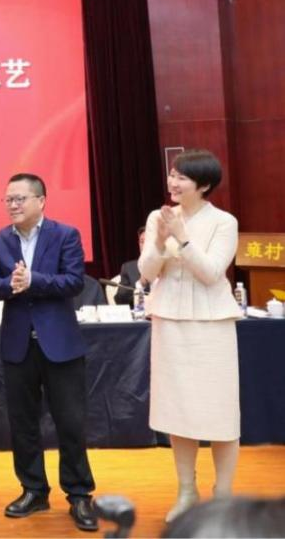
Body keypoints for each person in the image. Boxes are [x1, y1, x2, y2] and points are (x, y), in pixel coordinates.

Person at [0, 173, 97, 532]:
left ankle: (79, 494)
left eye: (20, 199)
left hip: (60, 345)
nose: (13, 205)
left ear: (41, 201)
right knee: (23, 423)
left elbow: (74, 281)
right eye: (8, 200)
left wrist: (34, 280)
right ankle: (33, 489)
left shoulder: (65, 235)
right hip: (18, 345)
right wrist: (11, 284)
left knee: (70, 422)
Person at [138, 149, 242, 523]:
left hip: (212, 325)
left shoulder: (224, 222)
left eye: (181, 177)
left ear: (204, 185)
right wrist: (159, 244)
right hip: (170, 321)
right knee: (178, 411)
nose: (173, 182)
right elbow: (147, 272)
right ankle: (186, 490)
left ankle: (223, 495)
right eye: (172, 174)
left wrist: (182, 239)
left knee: (220, 413)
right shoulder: (158, 217)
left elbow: (212, 273)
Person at [114, 227, 148, 306]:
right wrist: (139, 285)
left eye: (148, 241)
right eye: (142, 242)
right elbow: (120, 300)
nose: (145, 246)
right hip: (140, 312)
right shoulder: (129, 268)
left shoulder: (169, 266)